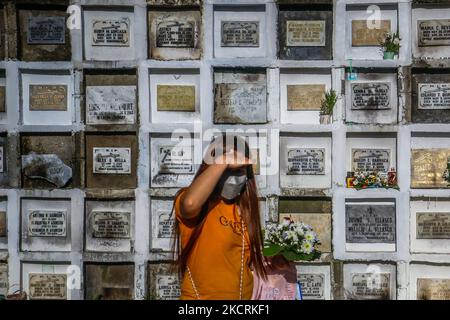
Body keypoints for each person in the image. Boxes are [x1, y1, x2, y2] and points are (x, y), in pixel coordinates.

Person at [171, 134, 267, 300]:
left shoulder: (244, 209)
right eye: (228, 170)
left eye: (239, 171)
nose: (233, 178)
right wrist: (223, 160)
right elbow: (191, 203)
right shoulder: (195, 204)